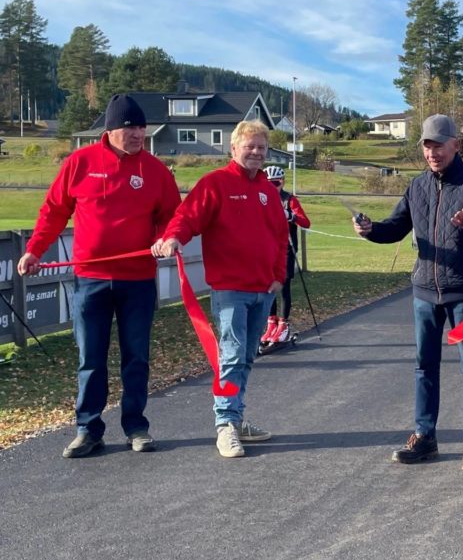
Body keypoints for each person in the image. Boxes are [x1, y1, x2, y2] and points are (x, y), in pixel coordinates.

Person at [17, 94, 181, 458]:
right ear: (110, 129)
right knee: (90, 358)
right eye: (131, 127)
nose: (139, 134)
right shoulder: (80, 163)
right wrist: (35, 251)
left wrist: (164, 239)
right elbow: (54, 211)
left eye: (142, 127)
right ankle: (88, 429)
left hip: (137, 279)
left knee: (136, 356)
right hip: (90, 279)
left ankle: (136, 426)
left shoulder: (154, 170)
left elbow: (172, 215)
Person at [353, 114, 463, 471]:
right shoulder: (416, 186)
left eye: (439, 144)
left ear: (456, 145)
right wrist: (371, 230)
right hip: (423, 292)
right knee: (424, 367)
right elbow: (395, 227)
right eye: (427, 145)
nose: (432, 152)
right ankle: (425, 436)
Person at [153, 120, 287, 459]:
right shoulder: (216, 184)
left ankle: (237, 418)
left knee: (246, 357)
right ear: (234, 148)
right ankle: (225, 424)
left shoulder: (268, 191)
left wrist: (278, 276)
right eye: (250, 147)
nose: (256, 153)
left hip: (263, 289)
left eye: (261, 147)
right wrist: (173, 238)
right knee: (230, 356)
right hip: (230, 289)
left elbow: (279, 238)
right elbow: (187, 217)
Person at [259, 165, 311, 346]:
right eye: (270, 183)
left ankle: (283, 324)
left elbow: (306, 222)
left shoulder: (289, 199)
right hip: (267, 250)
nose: (274, 186)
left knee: (283, 286)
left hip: (287, 249)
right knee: (268, 287)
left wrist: (290, 215)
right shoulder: (261, 198)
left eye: (277, 183)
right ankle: (271, 323)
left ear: (282, 182)